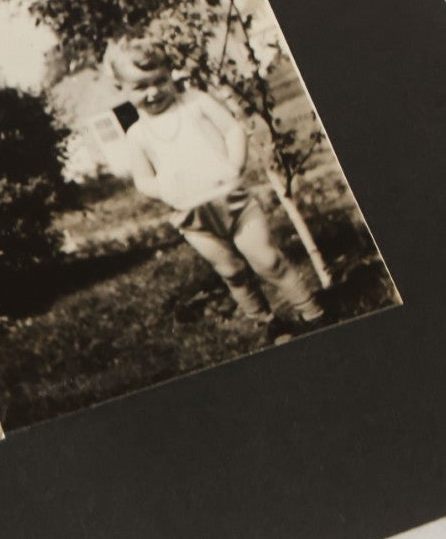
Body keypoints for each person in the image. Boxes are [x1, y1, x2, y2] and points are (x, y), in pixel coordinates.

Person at [105, 36, 325, 336]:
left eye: (160, 80)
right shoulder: (137, 134)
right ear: (121, 89)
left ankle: (313, 313)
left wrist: (235, 165)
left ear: (170, 74)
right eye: (141, 86)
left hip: (232, 200)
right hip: (192, 217)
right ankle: (268, 323)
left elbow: (233, 129)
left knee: (268, 260)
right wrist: (165, 190)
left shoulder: (195, 102)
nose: (153, 92)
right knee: (231, 271)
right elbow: (143, 180)